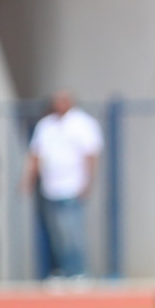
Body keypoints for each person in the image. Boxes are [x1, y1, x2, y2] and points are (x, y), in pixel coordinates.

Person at [25, 91, 102, 279]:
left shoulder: (83, 123)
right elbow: (36, 154)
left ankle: (79, 272)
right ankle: (63, 270)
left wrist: (88, 181)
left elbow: (91, 154)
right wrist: (28, 180)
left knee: (73, 232)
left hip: (73, 187)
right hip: (51, 188)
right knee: (57, 234)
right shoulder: (46, 125)